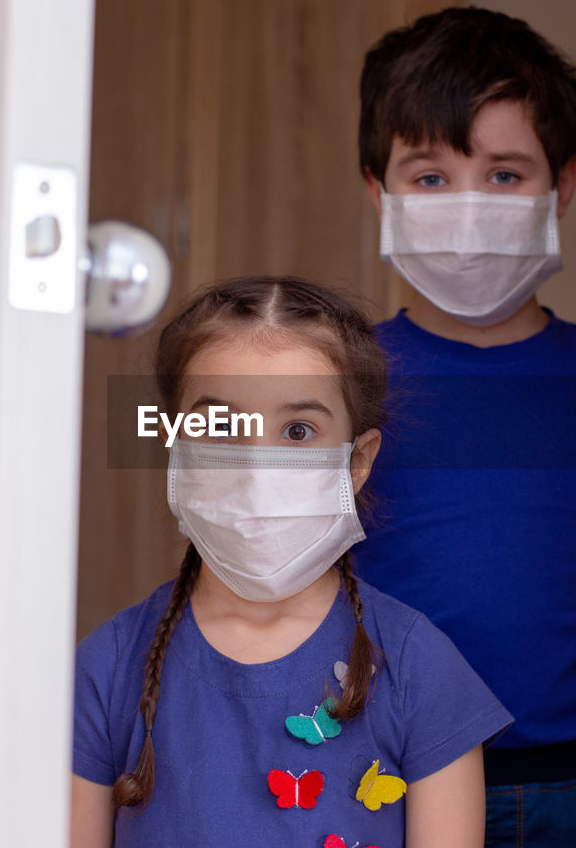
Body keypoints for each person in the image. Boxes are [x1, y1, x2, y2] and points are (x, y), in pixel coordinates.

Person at [70, 276, 512, 848]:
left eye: (298, 431)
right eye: (222, 427)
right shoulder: (105, 668)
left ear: (358, 461)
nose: (258, 466)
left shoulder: (419, 668)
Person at [353, 8, 576, 847]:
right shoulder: (334, 387)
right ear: (378, 191)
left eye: (505, 175)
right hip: (388, 777)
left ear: (563, 183)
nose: (468, 208)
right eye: (430, 177)